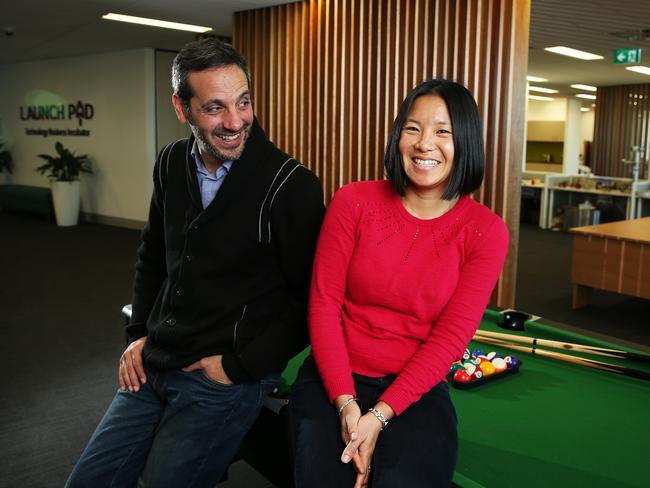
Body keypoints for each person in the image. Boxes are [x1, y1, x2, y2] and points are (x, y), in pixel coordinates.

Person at [66, 38, 325, 488]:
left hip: (224, 377)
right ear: (181, 108)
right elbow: (153, 255)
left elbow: (311, 300)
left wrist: (237, 368)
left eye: (242, 102)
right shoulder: (169, 162)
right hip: (156, 360)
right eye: (214, 108)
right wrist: (139, 333)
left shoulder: (292, 185)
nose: (234, 122)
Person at [290, 79, 509, 488]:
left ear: (465, 141)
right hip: (333, 379)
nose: (425, 143)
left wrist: (377, 417)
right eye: (413, 128)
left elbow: (450, 339)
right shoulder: (353, 201)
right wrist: (346, 403)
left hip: (416, 390)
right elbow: (323, 303)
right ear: (398, 137)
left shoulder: (486, 231)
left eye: (443, 131)